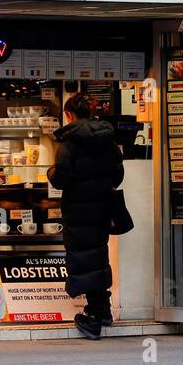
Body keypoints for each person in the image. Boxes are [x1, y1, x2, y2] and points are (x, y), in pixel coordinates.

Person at [48, 92, 124, 340]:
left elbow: (61, 179)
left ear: (69, 114)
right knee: (97, 257)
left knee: (84, 260)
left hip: (78, 209)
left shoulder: (68, 142)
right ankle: (103, 311)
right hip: (102, 207)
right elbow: (117, 175)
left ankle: (93, 318)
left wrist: (50, 172)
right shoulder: (108, 139)